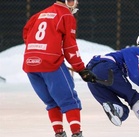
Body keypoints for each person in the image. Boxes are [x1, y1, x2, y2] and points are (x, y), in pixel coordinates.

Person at [22, 0, 96, 137]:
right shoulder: (66, 16)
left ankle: (59, 133)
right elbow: (70, 46)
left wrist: (39, 51)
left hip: (30, 63)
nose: (76, 3)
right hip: (51, 64)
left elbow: (26, 33)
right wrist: (81, 69)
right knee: (69, 100)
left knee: (51, 101)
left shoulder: (40, 14)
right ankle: (76, 133)